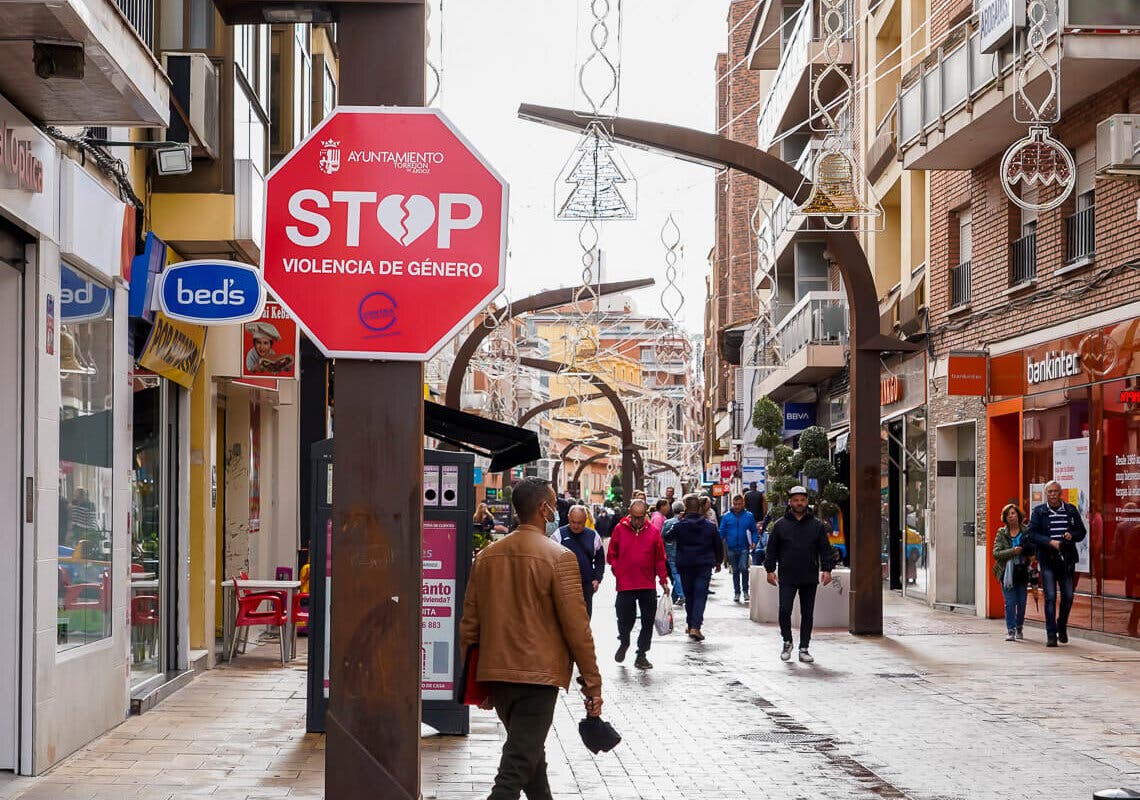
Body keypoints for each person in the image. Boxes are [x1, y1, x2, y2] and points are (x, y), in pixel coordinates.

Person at [459, 478, 602, 799]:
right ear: (543, 508)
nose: (556, 511)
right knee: (515, 768)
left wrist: (476, 681)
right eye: (554, 504)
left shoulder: (486, 556)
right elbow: (577, 627)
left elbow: (469, 625)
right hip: (537, 677)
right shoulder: (559, 557)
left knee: (530, 757)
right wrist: (592, 685)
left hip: (497, 675)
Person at [764, 486, 836, 663]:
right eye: (796, 500)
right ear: (790, 502)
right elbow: (771, 549)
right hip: (787, 575)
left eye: (802, 500)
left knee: (807, 613)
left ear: (807, 502)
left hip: (809, 575)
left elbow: (825, 549)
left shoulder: (817, 525)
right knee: (784, 610)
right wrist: (770, 570)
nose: (799, 503)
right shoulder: (780, 525)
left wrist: (827, 569)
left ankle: (804, 647)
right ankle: (787, 641)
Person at [607, 498, 669, 670]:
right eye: (634, 517)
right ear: (629, 513)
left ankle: (641, 654)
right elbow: (611, 554)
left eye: (640, 518)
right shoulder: (620, 529)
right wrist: (618, 571)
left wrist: (663, 580)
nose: (637, 521)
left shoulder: (653, 532)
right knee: (625, 618)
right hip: (625, 584)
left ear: (645, 516)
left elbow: (659, 559)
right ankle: (624, 640)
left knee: (648, 621)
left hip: (647, 583)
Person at [1028, 480, 1087, 646]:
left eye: (1056, 491)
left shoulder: (1070, 510)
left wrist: (1071, 535)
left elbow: (1081, 532)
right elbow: (1031, 534)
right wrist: (1049, 542)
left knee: (1068, 596)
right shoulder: (1039, 512)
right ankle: (1051, 634)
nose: (1053, 494)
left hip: (1066, 560)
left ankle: (1062, 624)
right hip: (1047, 560)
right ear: (1046, 494)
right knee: (1051, 597)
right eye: (1050, 492)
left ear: (1061, 493)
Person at [666, 494, 724, 641]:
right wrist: (718, 561)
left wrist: (677, 522)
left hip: (685, 564)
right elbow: (718, 545)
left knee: (689, 595)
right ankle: (695, 627)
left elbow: (667, 537)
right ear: (699, 508)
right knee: (700, 595)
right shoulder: (710, 526)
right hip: (703, 565)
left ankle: (691, 624)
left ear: (685, 508)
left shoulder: (679, 525)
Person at [550, 505, 606, 618]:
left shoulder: (593, 535)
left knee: (585, 617)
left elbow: (600, 560)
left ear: (585, 520)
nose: (575, 526)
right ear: (568, 518)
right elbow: (550, 559)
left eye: (579, 523)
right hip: (564, 585)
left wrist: (597, 579)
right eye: (573, 522)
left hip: (586, 584)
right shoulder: (558, 535)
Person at [993, 503, 1032, 641]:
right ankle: (1011, 630)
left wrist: (1028, 553)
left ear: (1018, 515)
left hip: (1022, 570)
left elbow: (1033, 549)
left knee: (1021, 602)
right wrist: (1012, 551)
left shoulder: (1026, 531)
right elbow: (996, 553)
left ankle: (1019, 626)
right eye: (1008, 514)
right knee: (1010, 602)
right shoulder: (1001, 533)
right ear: (1005, 517)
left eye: (1013, 513)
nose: (1011, 516)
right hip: (1007, 572)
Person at [720, 494, 759, 603]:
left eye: (739, 504)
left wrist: (754, 542)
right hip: (731, 547)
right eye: (735, 504)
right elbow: (721, 532)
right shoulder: (726, 517)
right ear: (733, 504)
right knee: (735, 570)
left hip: (744, 547)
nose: (737, 506)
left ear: (743, 504)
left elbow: (754, 531)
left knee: (743, 568)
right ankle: (737, 592)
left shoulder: (749, 516)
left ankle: (745, 591)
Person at [661, 501, 686, 607]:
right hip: (683, 551)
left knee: (676, 574)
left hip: (671, 551)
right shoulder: (685, 522)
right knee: (679, 574)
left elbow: (662, 537)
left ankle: (682, 595)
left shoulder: (668, 522)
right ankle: (675, 596)